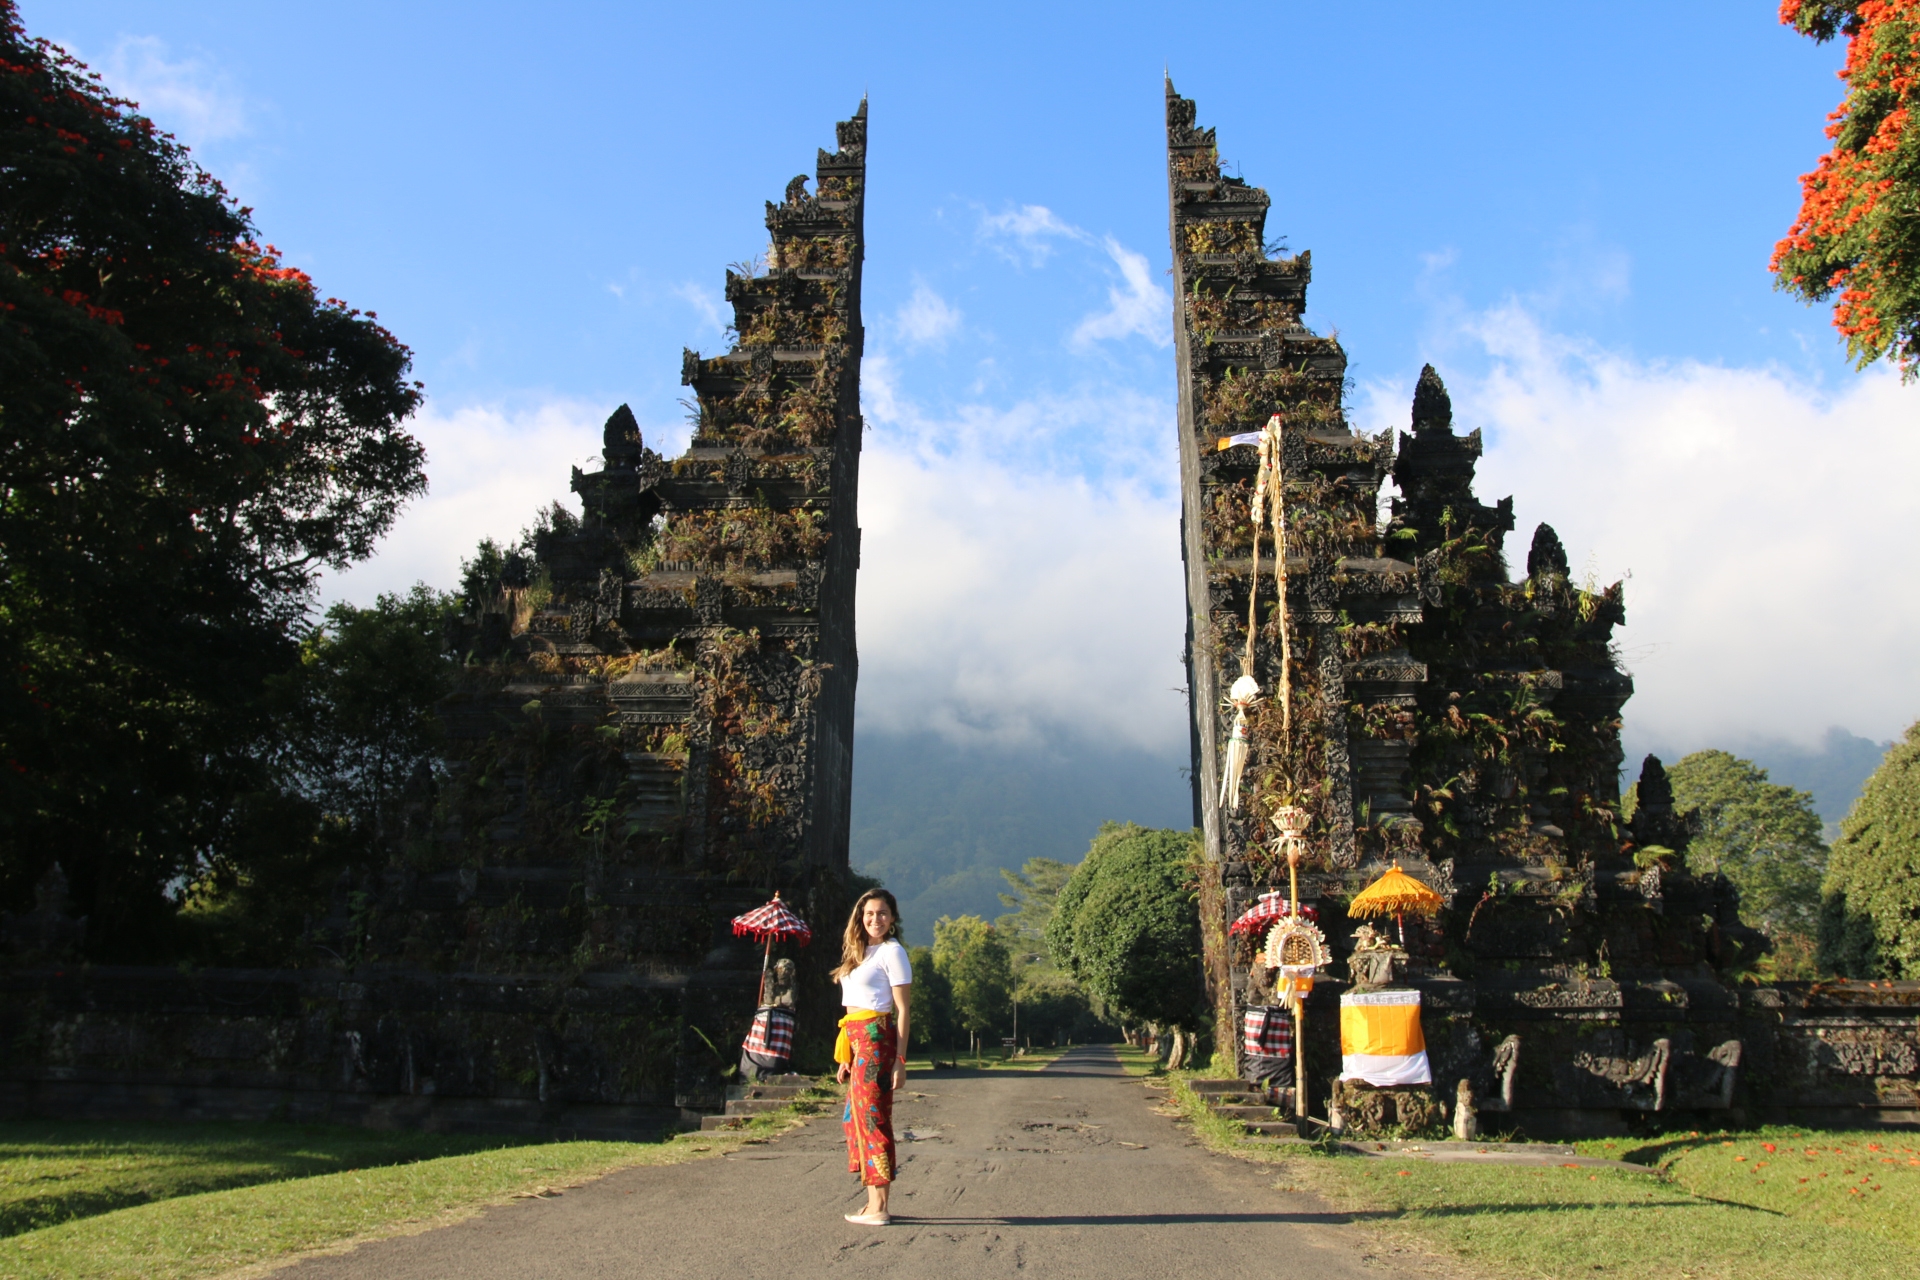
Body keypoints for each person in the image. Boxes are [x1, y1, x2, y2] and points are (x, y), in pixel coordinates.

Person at [831, 888, 911, 1226]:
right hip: (857, 1040)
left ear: (892, 918)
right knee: (855, 1118)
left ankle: (880, 1206)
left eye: (882, 913)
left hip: (878, 1039)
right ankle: (871, 1201)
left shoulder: (893, 952)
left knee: (873, 1119)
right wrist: (846, 1056)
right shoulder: (860, 952)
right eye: (869, 914)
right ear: (860, 917)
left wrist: (900, 1060)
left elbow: (903, 1009)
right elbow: (852, 1007)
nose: (875, 919)